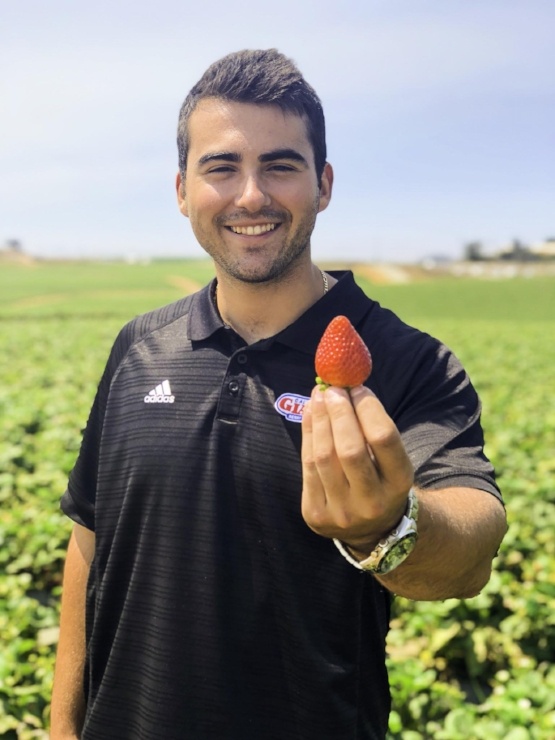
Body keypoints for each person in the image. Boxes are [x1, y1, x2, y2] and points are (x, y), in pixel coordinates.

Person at [50, 48, 507, 740]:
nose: (251, 195)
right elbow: (89, 545)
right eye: (221, 167)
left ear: (322, 183)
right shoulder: (138, 347)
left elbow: (471, 549)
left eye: (281, 165)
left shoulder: (405, 360)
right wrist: (62, 730)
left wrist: (387, 527)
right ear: (182, 190)